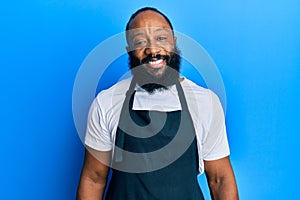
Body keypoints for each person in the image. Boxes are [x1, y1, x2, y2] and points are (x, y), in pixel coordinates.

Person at [77, 7, 238, 200]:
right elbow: (93, 179)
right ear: (130, 51)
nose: (153, 50)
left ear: (174, 43)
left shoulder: (206, 102)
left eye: (161, 38)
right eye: (140, 42)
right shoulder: (106, 102)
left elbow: (220, 179)